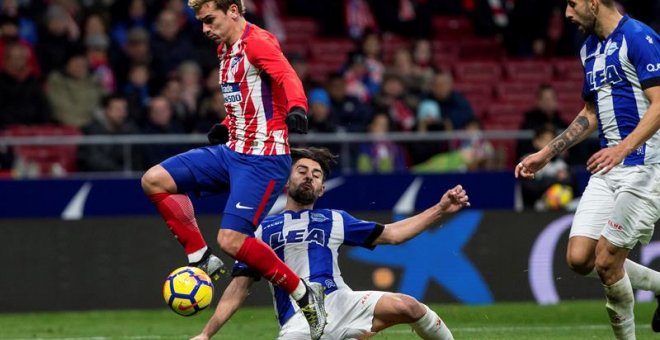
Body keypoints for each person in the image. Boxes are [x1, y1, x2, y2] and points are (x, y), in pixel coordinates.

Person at [139, 1, 327, 339]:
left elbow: (286, 76)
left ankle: (304, 293)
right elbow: (249, 97)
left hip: (263, 159)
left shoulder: (257, 42)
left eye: (210, 20)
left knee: (231, 240)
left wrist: (298, 107)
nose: (205, 29)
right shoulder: (227, 49)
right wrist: (227, 124)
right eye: (201, 22)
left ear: (234, 12)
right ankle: (201, 258)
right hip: (232, 151)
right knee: (154, 180)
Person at [192, 147, 467, 340]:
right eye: (301, 170)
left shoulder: (335, 219)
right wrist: (206, 333)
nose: (308, 176)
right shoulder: (260, 231)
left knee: (409, 306)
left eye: (316, 174)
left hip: (342, 302)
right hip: (299, 318)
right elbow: (239, 288)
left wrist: (440, 209)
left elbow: (393, 235)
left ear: (322, 188)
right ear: (287, 181)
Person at [515, 1, 660, 338]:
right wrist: (547, 153)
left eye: (572, 4)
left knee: (608, 262)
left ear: (594, 2)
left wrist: (623, 148)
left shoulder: (638, 37)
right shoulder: (589, 49)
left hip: (645, 167)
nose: (567, 13)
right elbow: (590, 112)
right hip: (609, 168)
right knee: (580, 259)